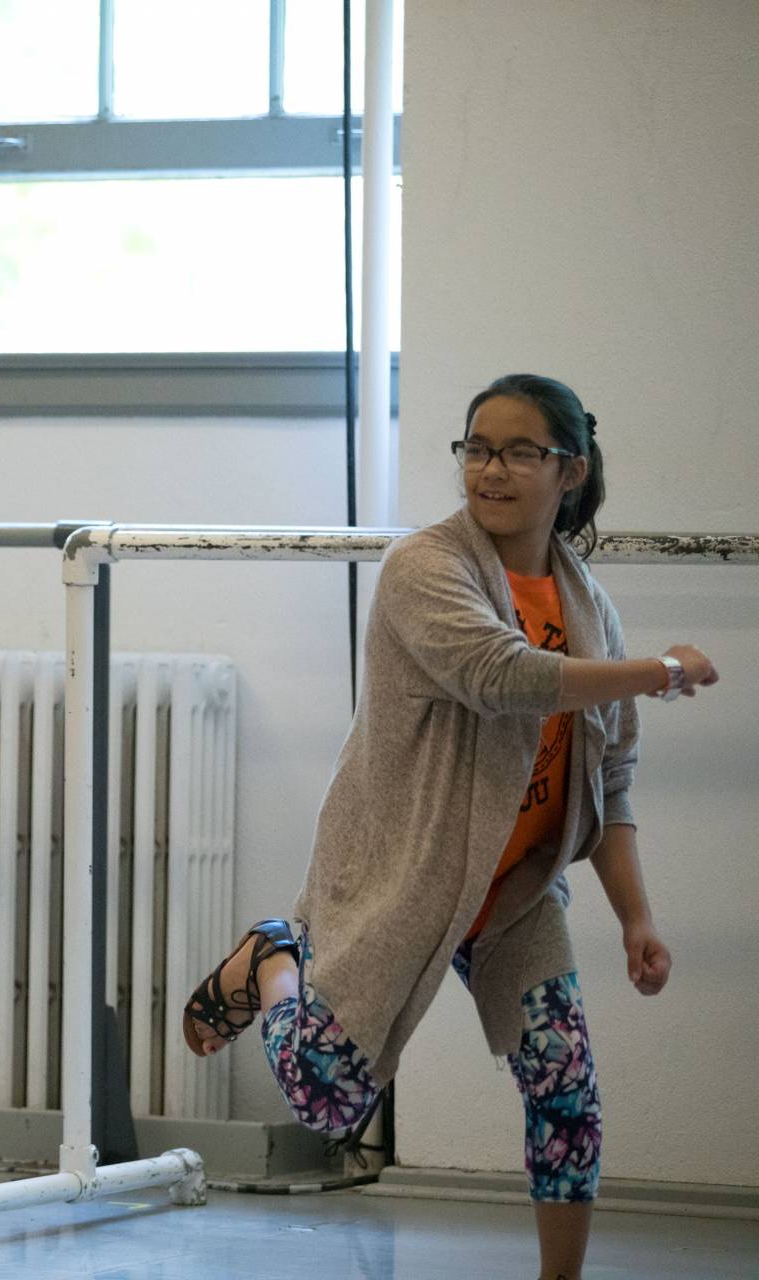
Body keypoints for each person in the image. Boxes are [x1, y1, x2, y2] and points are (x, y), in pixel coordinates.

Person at [181, 373, 719, 1280]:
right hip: (407, 875)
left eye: (518, 451)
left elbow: (610, 780)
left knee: (567, 1093)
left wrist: (636, 916)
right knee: (323, 1101)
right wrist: (658, 671)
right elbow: (500, 674)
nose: (490, 468)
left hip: (512, 892)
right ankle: (273, 958)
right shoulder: (424, 568)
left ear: (570, 470)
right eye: (476, 447)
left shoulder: (589, 606)